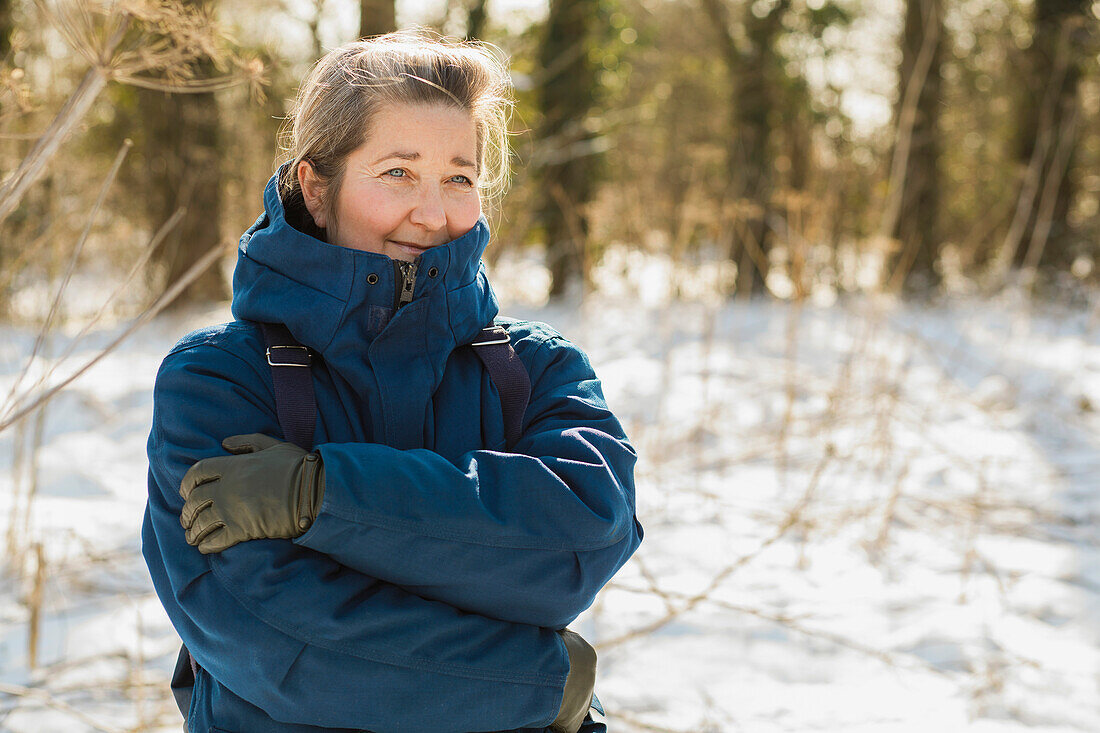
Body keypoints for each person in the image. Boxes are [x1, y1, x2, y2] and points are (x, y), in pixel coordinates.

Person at [142, 30, 643, 733]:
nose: (434, 213)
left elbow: (582, 539)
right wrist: (540, 681)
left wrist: (324, 496)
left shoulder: (535, 369)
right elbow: (278, 641)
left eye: (459, 177)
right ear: (317, 188)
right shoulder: (217, 381)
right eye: (398, 173)